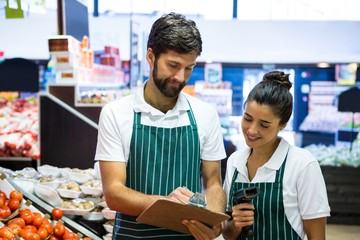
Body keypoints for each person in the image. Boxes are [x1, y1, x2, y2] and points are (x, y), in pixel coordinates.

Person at [95, 12, 227, 239]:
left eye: (189, 68)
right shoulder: (115, 113)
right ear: (151, 56)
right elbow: (114, 193)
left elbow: (214, 183)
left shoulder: (206, 115)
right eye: (173, 65)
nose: (180, 77)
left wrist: (214, 219)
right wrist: (166, 205)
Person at [222, 71, 330, 240]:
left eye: (264, 125)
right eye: (247, 118)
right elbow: (228, 234)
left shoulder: (302, 164)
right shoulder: (235, 162)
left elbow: (317, 236)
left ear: (283, 125)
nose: (252, 130)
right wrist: (236, 224)